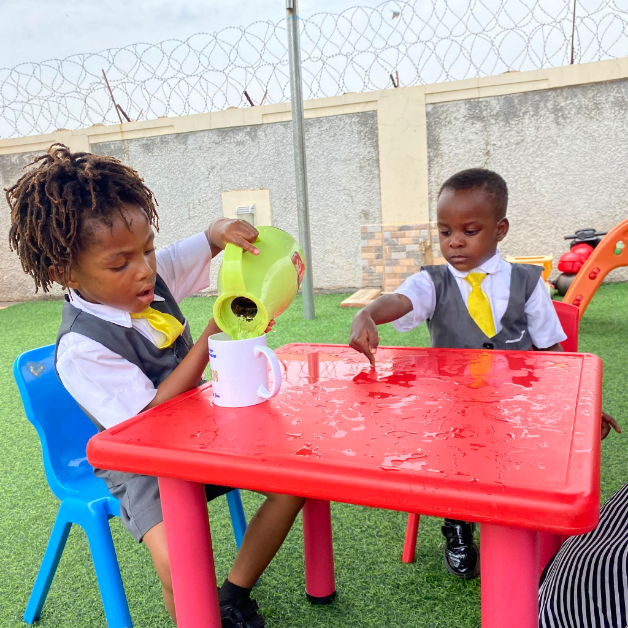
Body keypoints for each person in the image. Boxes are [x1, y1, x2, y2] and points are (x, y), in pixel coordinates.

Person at [6, 144, 305, 627]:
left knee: (294, 483)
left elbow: (206, 241)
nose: (145, 268)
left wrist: (223, 231)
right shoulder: (80, 349)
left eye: (147, 248)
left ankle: (232, 595)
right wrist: (212, 335)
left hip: (202, 435)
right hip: (142, 464)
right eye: (120, 263)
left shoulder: (149, 278)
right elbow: (149, 420)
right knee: (178, 562)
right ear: (65, 273)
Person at [349, 167, 618, 579]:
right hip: (453, 409)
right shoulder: (432, 281)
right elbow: (400, 300)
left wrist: (582, 410)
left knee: (529, 454)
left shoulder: (527, 282)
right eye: (445, 231)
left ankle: (519, 514)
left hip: (517, 407)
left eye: (469, 231)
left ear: (500, 229)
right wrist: (368, 313)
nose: (454, 241)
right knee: (451, 453)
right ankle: (457, 524)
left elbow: (553, 354)